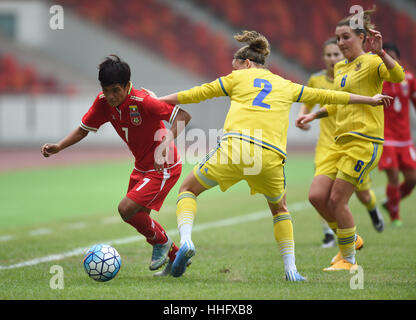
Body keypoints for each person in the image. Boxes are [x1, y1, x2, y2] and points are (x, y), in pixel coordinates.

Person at [154, 30, 393, 281]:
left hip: (236, 148)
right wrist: (369, 99)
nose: (233, 73)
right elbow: (330, 96)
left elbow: (197, 93)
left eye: (235, 69)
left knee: (188, 190)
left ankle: (187, 241)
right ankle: (291, 270)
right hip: (270, 157)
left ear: (247, 64)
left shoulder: (238, 79)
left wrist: (160, 100)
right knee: (280, 209)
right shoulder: (286, 85)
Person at [41, 55, 191, 276]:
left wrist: (163, 145)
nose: (111, 96)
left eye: (116, 90)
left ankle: (163, 243)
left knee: (126, 209)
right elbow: (84, 129)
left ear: (127, 85)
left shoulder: (143, 101)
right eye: (107, 90)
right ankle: (177, 257)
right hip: (141, 166)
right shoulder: (103, 102)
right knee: (139, 218)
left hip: (164, 166)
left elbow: (183, 116)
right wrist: (60, 146)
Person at [296, 9, 404, 271]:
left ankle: (348, 260)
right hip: (338, 142)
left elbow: (398, 76)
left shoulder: (371, 62)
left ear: (362, 37)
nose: (340, 43)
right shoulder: (341, 67)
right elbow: (335, 102)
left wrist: (380, 53)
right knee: (316, 196)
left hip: (363, 142)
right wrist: (312, 116)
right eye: (338, 38)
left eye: (345, 37)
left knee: (337, 200)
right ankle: (350, 239)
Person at [297, 38, 384, 246]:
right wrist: (303, 117)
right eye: (328, 55)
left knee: (362, 194)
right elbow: (307, 103)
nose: (332, 58)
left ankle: (372, 209)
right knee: (320, 195)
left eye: (336, 54)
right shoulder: (316, 80)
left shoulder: (354, 75)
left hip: (355, 143)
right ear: (323, 57)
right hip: (327, 145)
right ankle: (332, 234)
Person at [379, 43, 416, 227]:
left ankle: (390, 202)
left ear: (399, 60)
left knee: (412, 179)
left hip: (405, 139)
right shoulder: (377, 80)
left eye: (392, 57)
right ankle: (395, 218)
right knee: (393, 177)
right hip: (386, 138)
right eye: (385, 58)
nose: (389, 62)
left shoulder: (409, 79)